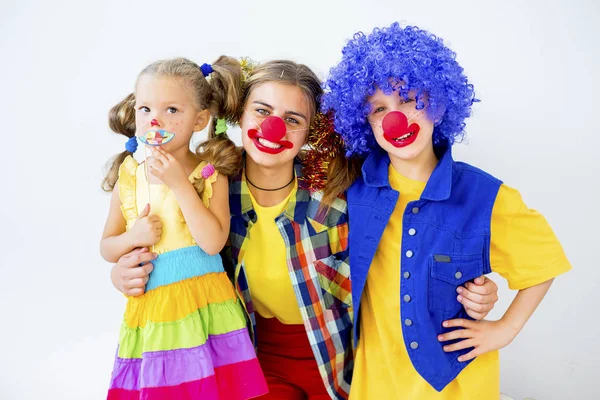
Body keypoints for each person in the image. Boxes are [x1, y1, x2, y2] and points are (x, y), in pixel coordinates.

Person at [109, 58, 500, 400]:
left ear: (310, 132)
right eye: (261, 111)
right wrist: (122, 269)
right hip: (252, 356)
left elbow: (409, 238)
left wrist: (465, 282)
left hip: (336, 359)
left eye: (293, 120)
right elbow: (169, 245)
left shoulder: (338, 193)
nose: (274, 128)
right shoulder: (210, 189)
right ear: (237, 117)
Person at [321, 22, 572, 399]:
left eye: (407, 101)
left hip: (457, 387)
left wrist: (504, 328)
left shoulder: (484, 196)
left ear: (437, 103)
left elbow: (544, 262)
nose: (395, 119)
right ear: (364, 120)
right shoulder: (353, 191)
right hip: (376, 383)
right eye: (379, 109)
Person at [100, 56, 267, 400]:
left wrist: (179, 185)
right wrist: (133, 238)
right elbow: (107, 247)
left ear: (200, 119)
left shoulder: (208, 175)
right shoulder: (129, 177)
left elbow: (212, 242)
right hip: (155, 310)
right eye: (145, 109)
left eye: (172, 110)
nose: (155, 119)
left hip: (204, 304)